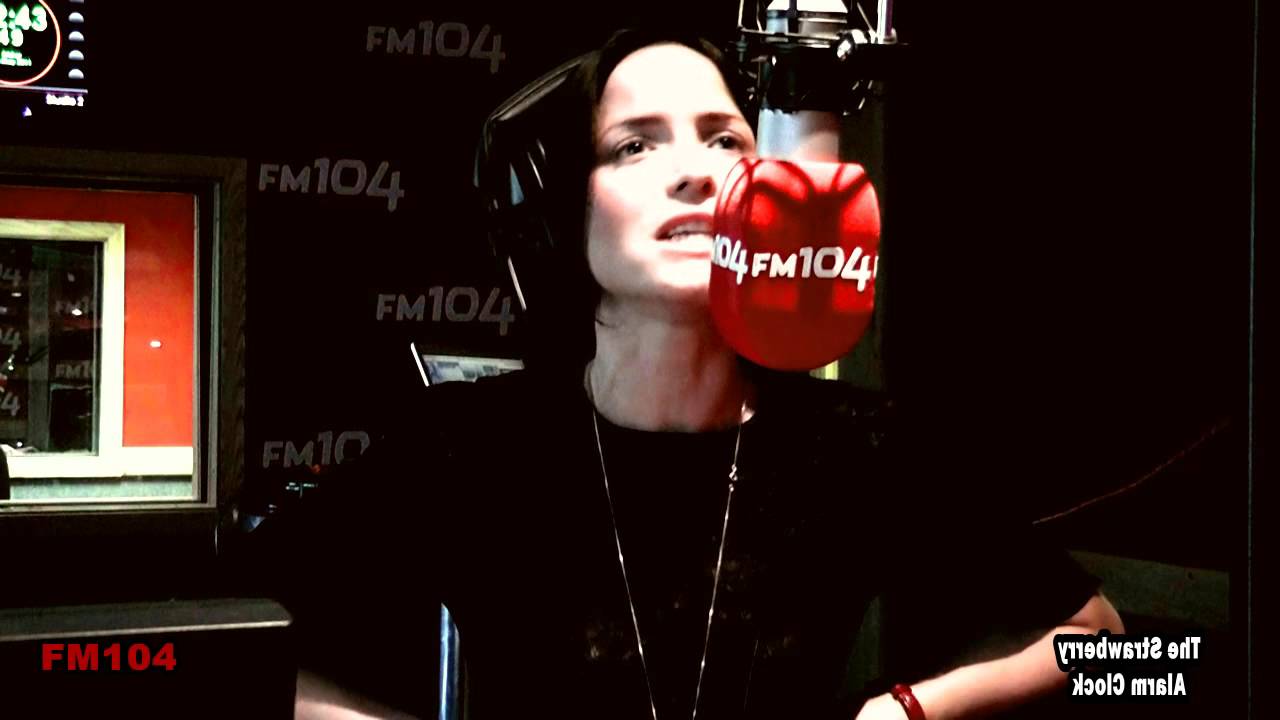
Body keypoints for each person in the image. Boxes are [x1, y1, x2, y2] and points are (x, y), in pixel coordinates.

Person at [239, 28, 1123, 720]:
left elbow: (1125, 656)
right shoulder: (469, 447)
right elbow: (208, 651)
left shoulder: (856, 445)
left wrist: (907, 711)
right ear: (563, 205)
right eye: (634, 146)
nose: (696, 172)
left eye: (725, 140)